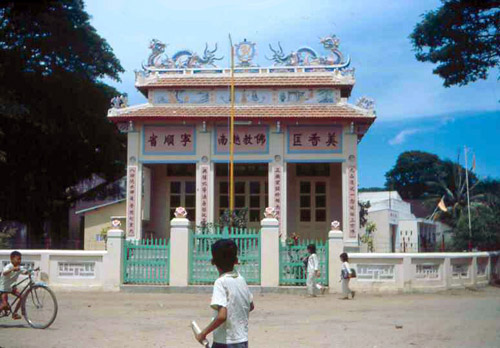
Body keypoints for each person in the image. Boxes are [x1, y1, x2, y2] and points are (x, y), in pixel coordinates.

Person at [197, 239, 255, 348]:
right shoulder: (241, 279)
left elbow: (222, 316)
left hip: (224, 342)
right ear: (236, 260)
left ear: (213, 262)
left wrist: (203, 333)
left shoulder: (221, 282)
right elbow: (251, 306)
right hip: (242, 340)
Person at [0, 251, 28, 319]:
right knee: (4, 305)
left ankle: (14, 313)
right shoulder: (9, 266)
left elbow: (24, 272)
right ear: (11, 259)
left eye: (20, 259)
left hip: (11, 288)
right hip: (3, 289)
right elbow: (4, 273)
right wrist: (13, 269)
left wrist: (31, 271)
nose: (19, 261)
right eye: (17, 259)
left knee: (22, 297)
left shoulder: (19, 268)